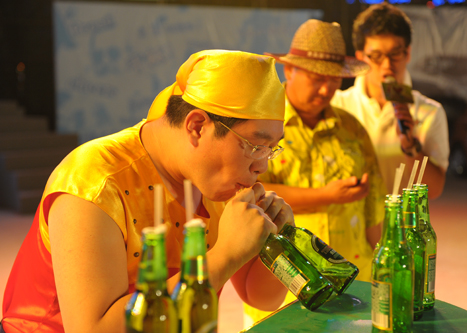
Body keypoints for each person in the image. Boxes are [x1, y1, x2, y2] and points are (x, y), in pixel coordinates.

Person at [1, 50, 294, 333]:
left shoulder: (212, 180)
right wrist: (225, 255)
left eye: (271, 149)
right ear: (196, 127)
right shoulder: (95, 179)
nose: (262, 167)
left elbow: (261, 297)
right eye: (256, 146)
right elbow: (92, 329)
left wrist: (281, 240)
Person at [243, 19, 386, 326]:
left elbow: (374, 213)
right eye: (316, 78)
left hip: (353, 286)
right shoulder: (258, 125)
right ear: (289, 70)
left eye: (334, 80)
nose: (326, 89)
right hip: (281, 288)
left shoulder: (352, 130)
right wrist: (325, 196)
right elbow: (250, 190)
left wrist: (386, 272)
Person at [332, 2, 449, 199]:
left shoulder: (430, 112)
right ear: (360, 58)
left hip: (403, 227)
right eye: (376, 56)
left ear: (408, 54)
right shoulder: (338, 106)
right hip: (353, 227)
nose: (387, 65)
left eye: (395, 54)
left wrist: (411, 146)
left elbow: (435, 190)